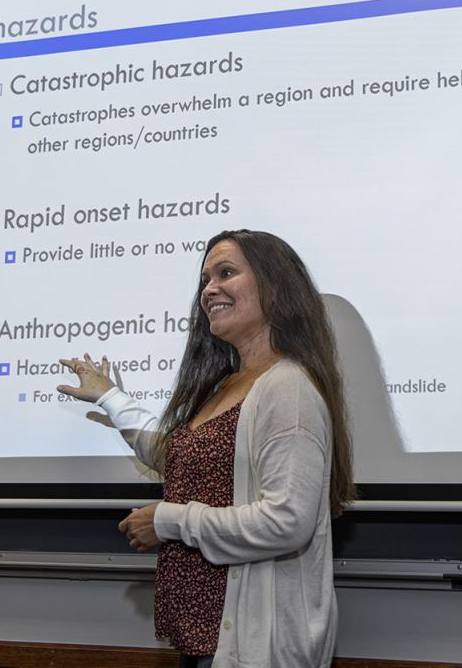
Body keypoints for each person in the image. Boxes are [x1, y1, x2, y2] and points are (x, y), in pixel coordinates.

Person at [57, 229, 356, 668]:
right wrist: (110, 398)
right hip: (202, 645)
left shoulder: (287, 387)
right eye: (205, 280)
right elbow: (176, 458)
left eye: (227, 273)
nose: (209, 289)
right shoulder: (226, 384)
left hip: (252, 651)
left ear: (274, 289)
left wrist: (167, 519)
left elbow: (287, 522)